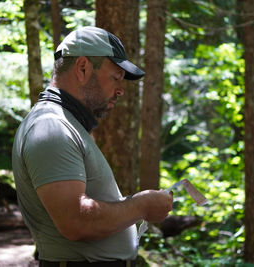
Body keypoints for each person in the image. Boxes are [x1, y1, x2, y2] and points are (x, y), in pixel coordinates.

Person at [12, 26, 173, 267]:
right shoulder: (52, 128)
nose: (120, 90)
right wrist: (141, 206)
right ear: (83, 68)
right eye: (115, 77)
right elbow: (76, 222)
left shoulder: (64, 124)